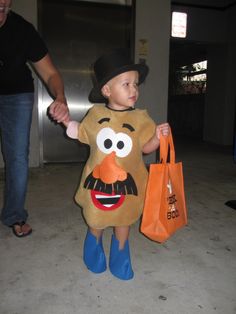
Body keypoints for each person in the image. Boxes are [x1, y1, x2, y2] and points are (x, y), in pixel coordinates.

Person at [62, 50, 169, 280]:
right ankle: (94, 246)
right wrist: (65, 121)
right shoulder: (95, 114)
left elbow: (145, 148)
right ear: (107, 90)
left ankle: (121, 254)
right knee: (96, 218)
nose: (134, 90)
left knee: (124, 219)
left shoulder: (141, 118)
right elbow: (81, 132)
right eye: (127, 84)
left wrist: (157, 138)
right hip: (98, 183)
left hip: (128, 184)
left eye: (136, 84)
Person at [0, 0, 69, 237]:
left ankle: (14, 214)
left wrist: (60, 97)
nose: (2, 5)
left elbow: (50, 73)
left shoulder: (22, 29)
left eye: (6, 2)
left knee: (17, 156)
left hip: (16, 94)